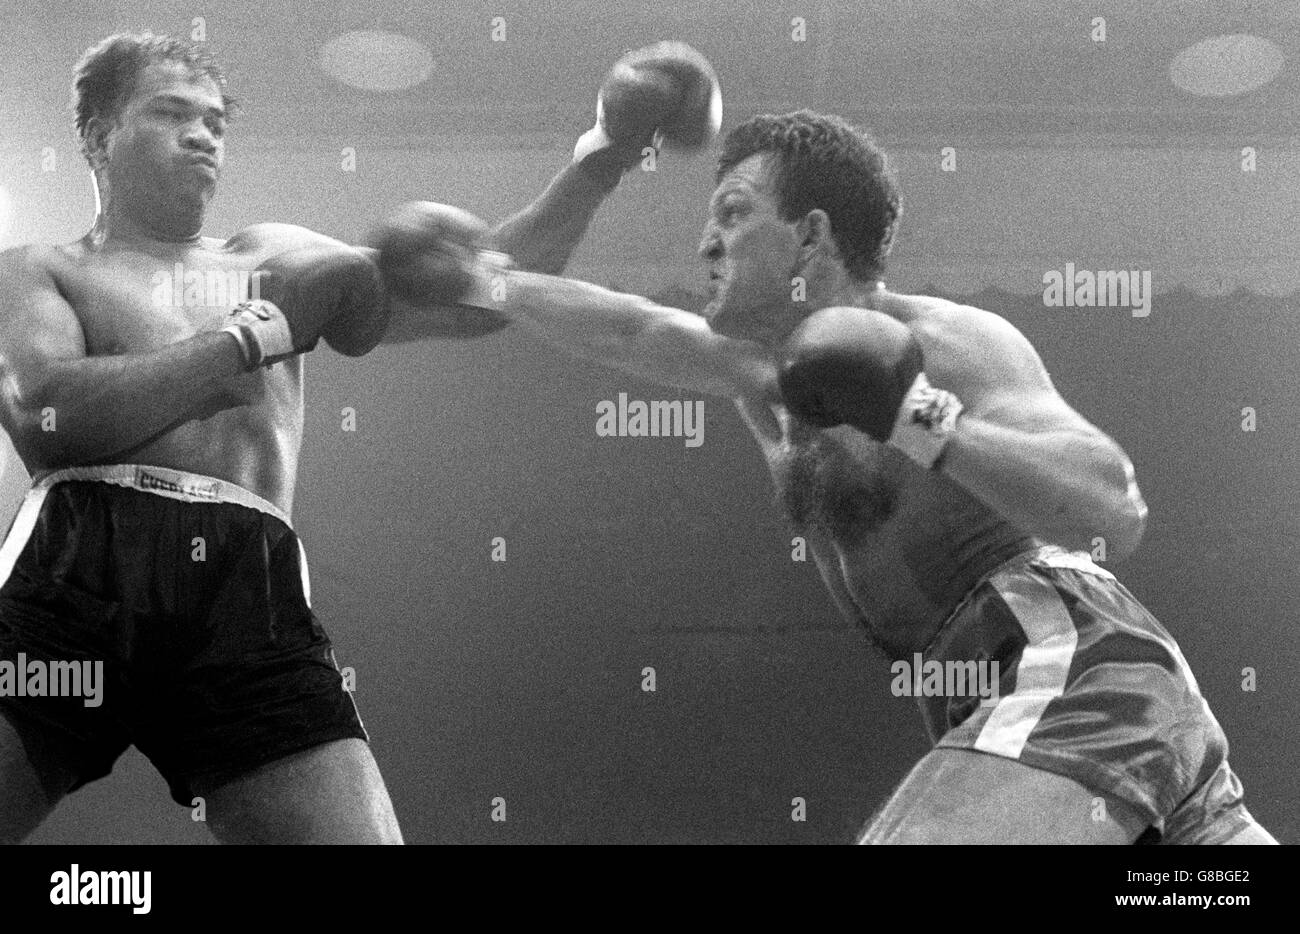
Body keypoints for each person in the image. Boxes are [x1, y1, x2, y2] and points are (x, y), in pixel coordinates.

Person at [376, 109, 1278, 844]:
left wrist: (918, 419)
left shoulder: (945, 340)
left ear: (810, 234)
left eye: (733, 213)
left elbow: (1112, 505)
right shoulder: (755, 373)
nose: (706, 243)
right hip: (1009, 709)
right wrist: (480, 277)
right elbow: (628, 328)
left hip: (1075, 665)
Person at [0, 32, 716, 843]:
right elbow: (49, 414)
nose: (202, 134)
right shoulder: (37, 270)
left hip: (246, 590)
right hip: (77, 574)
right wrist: (250, 338)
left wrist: (605, 157)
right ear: (96, 136)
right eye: (170, 113)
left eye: (214, 121)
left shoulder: (276, 253)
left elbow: (480, 292)